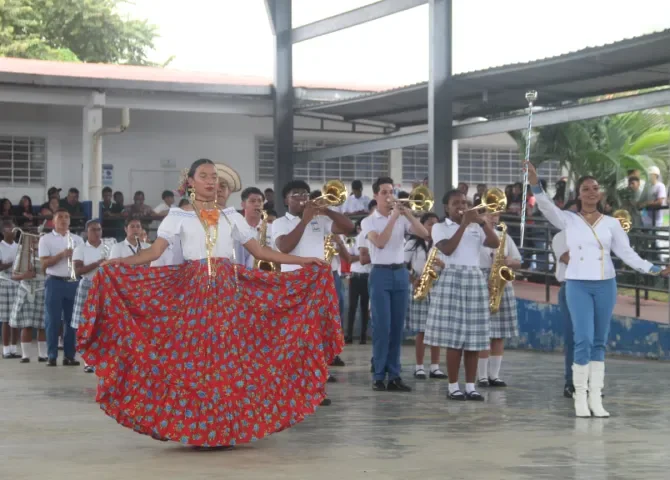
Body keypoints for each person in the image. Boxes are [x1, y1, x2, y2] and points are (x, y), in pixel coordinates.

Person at [77, 159, 343, 448]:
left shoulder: (231, 215)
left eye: (214, 177)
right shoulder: (178, 216)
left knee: (226, 362)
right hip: (194, 294)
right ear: (190, 181)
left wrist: (303, 261)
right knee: (196, 363)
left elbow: (261, 250)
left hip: (227, 294)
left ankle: (223, 430)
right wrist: (120, 262)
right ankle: (197, 428)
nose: (210, 181)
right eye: (203, 176)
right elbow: (154, 252)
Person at [526, 162, 670, 417]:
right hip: (577, 284)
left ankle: (596, 397)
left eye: (595, 188)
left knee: (600, 342)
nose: (591, 192)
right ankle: (580, 397)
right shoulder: (568, 220)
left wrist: (655, 269)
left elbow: (627, 254)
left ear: (600, 194)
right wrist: (535, 182)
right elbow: (546, 205)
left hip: (605, 284)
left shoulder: (612, 223)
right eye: (585, 189)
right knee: (583, 339)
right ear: (578, 194)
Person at [272, 180, 354, 381]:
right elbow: (285, 247)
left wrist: (327, 211)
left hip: (317, 283)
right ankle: (293, 379)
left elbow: (349, 227)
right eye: (296, 194)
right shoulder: (279, 223)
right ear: (286, 200)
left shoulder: (320, 220)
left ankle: (316, 380)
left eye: (305, 194)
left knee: (317, 333)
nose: (302, 198)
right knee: (294, 334)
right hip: (292, 283)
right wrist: (305, 221)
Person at [424, 190, 499, 401]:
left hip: (474, 278)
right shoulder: (439, 227)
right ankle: (453, 386)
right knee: (454, 338)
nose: (461, 206)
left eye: (464, 202)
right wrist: (464, 225)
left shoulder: (477, 227)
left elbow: (494, 243)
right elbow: (447, 249)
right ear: (446, 207)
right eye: (456, 203)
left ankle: (470, 386)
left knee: (474, 337)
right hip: (452, 277)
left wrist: (482, 223)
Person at [362, 177, 429, 393]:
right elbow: (380, 242)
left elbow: (424, 233)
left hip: (400, 272)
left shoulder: (401, 218)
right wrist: (394, 217)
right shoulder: (368, 222)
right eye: (384, 192)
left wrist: (407, 212)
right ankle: (379, 375)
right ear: (375, 195)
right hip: (380, 273)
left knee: (397, 327)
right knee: (383, 327)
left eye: (391, 191)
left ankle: (395, 375)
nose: (389, 196)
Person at [477, 212, 522, 387]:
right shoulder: (475, 234)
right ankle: (481, 376)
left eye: (496, 215)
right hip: (481, 279)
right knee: (482, 333)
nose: (493, 218)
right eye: (489, 215)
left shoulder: (505, 237)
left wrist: (509, 261)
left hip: (501, 282)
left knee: (499, 334)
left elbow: (519, 261)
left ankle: (494, 375)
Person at [38, 209, 84, 366]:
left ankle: (69, 356)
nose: (64, 220)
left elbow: (82, 262)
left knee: (72, 321)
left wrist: (77, 260)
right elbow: (43, 264)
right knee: (53, 320)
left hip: (73, 282)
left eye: (67, 217)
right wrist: (62, 255)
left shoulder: (78, 239)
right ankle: (51, 356)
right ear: (53, 221)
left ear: (70, 221)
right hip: (54, 282)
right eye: (60, 217)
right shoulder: (46, 239)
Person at [404, 212, 447, 380]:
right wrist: (413, 279)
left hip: (437, 287)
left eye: (436, 224)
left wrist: (442, 264)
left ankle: (435, 366)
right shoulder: (413, 244)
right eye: (429, 223)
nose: (432, 227)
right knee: (422, 331)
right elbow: (402, 264)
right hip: (420, 285)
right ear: (420, 225)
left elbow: (449, 265)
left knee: (436, 330)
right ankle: (419, 366)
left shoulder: (442, 244)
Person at [70, 220, 107, 373]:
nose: (96, 233)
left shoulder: (108, 247)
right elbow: (78, 271)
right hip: (87, 286)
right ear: (86, 232)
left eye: (99, 229)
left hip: (104, 287)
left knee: (102, 325)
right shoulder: (80, 249)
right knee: (85, 326)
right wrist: (98, 263)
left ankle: (101, 359)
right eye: (93, 230)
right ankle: (87, 360)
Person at [10, 234, 48, 363]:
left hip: (43, 289)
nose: (35, 242)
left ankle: (43, 355)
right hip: (26, 290)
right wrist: (24, 275)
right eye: (32, 240)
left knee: (42, 325)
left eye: (37, 239)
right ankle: (25, 355)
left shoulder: (47, 254)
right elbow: (13, 275)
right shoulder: (22, 254)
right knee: (26, 325)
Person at [0, 221, 20, 359]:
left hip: (18, 282)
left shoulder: (20, 246)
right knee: (6, 318)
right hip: (5, 283)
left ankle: (14, 348)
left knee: (16, 318)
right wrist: (12, 263)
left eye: (13, 228)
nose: (11, 231)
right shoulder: (0, 246)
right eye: (8, 229)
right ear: (2, 231)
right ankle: (6, 349)